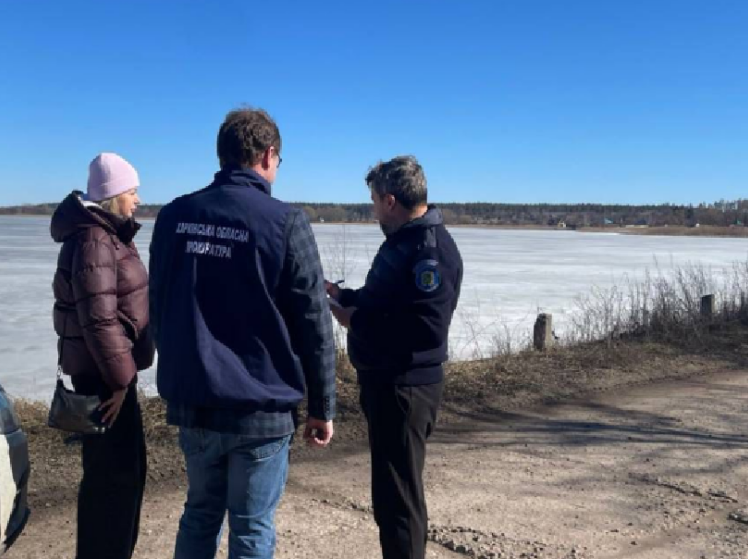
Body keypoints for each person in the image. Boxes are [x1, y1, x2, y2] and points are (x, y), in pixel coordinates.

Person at [149, 107, 337, 559]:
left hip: (196, 400)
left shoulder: (175, 217)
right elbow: (313, 321)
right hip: (261, 408)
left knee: (199, 515)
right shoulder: (285, 222)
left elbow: (158, 302)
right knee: (251, 529)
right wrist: (322, 405)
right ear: (268, 155)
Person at [325, 155, 463, 559]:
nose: (372, 211)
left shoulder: (427, 252)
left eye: (372, 201)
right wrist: (343, 297)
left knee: (399, 500)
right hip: (390, 384)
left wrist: (357, 322)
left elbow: (426, 328)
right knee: (392, 496)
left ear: (389, 201)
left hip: (405, 389)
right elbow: (386, 303)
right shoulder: (406, 244)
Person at [51, 152, 154, 559]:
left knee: (115, 481)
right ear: (113, 196)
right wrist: (120, 381)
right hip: (104, 383)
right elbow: (98, 318)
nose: (138, 199)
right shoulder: (96, 239)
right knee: (114, 484)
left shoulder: (104, 235)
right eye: (133, 191)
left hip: (109, 376)